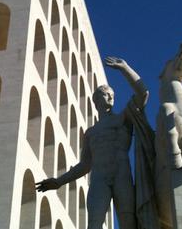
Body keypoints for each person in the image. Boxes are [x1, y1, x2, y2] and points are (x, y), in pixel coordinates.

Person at [36, 56, 149, 229]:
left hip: (121, 174)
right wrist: (58, 182)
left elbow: (143, 94)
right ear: (95, 100)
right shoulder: (91, 133)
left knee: (128, 222)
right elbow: (85, 165)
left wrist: (125, 68)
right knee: (94, 223)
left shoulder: (123, 118)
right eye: (106, 94)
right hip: (99, 178)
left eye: (112, 95)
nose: (110, 97)